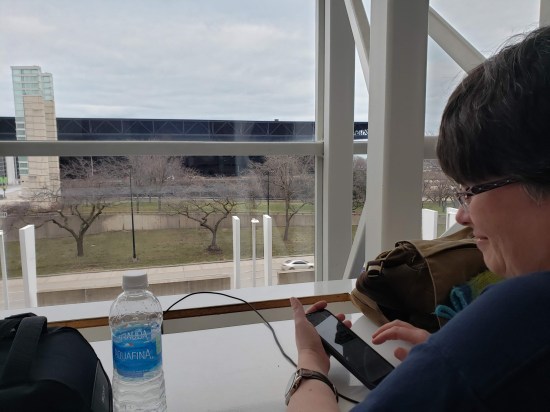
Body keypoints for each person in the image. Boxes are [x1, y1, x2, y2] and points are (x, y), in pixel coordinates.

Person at [287, 25, 550, 411]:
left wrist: (310, 366)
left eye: (471, 188)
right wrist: (454, 356)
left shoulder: (526, 312)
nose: (462, 214)